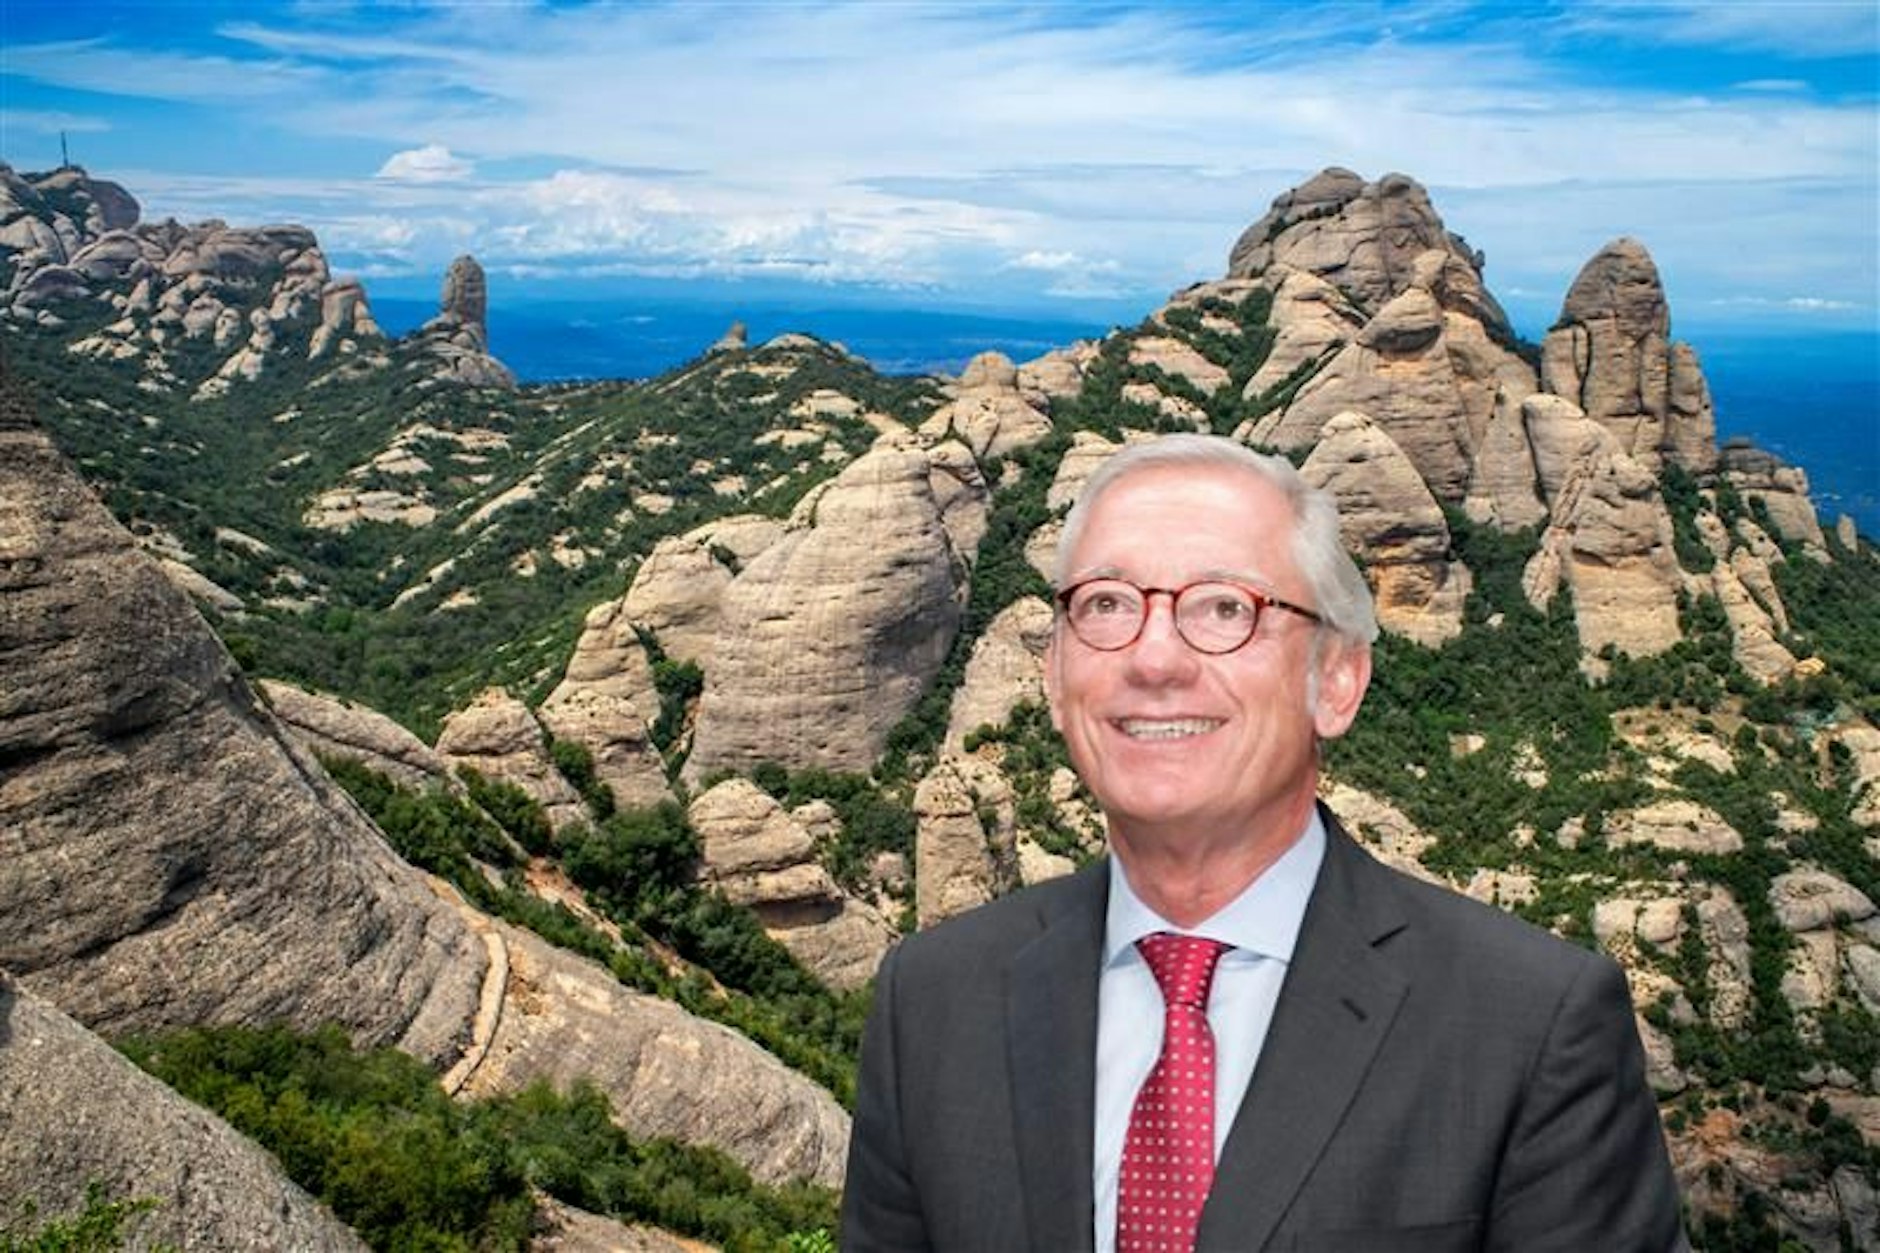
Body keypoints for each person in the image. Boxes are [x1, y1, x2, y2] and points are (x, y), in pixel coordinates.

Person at [839, 434, 1687, 1252]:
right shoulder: (934, 998)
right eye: (1106, 604)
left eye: (1224, 608)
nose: (1155, 658)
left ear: (1338, 681)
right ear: (1056, 679)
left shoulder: (1532, 1022)